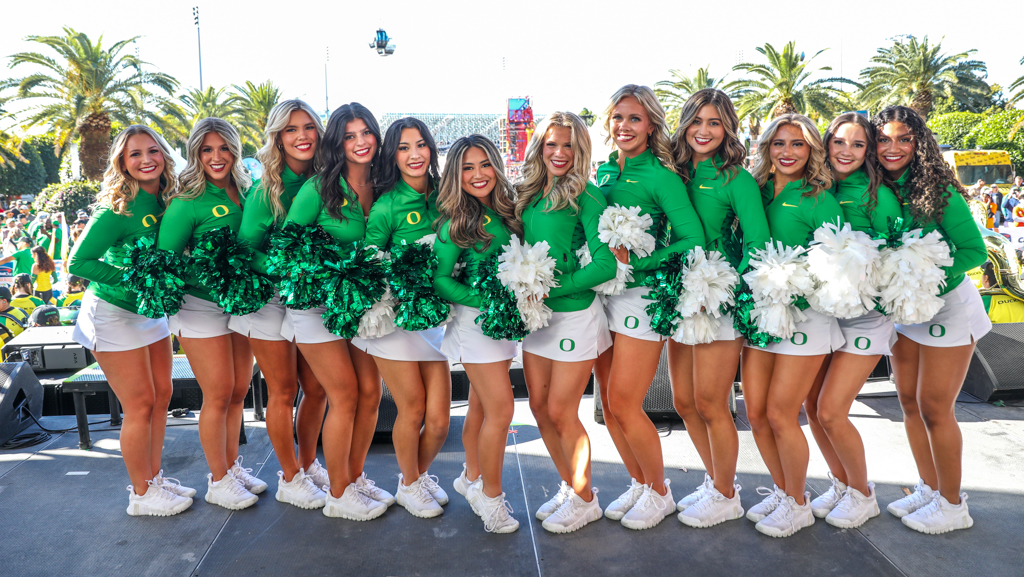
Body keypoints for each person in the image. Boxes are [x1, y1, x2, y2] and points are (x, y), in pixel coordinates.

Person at [593, 85, 705, 530]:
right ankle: (639, 483)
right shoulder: (604, 171)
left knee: (625, 401)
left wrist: (638, 262)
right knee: (609, 403)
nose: (625, 126)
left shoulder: (662, 177)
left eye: (635, 118)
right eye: (618, 117)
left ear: (652, 124)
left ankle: (659, 492)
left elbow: (692, 238)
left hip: (642, 296)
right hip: (603, 296)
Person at [873, 106, 989, 535]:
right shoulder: (879, 189)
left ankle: (953, 504)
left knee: (935, 408)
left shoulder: (939, 191)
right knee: (908, 402)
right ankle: (930, 487)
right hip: (907, 310)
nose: (893, 147)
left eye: (904, 138)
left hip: (948, 308)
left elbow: (975, 251)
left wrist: (922, 278)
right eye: (884, 139)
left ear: (919, 143)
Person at [68, 124, 192, 516]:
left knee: (162, 396)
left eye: (152, 151)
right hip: (113, 314)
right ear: (122, 162)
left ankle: (153, 479)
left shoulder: (170, 198)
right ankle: (141, 494)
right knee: (139, 404)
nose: (146, 160)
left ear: (164, 155)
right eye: (135, 154)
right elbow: (78, 262)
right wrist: (136, 280)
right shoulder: (116, 208)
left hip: (149, 312)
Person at [279, 102, 394, 520]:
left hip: (361, 307)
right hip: (313, 307)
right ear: (337, 143)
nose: (360, 142)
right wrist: (330, 275)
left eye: (366, 133)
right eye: (349, 136)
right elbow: (287, 246)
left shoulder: (384, 185)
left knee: (370, 394)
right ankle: (339, 495)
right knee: (343, 395)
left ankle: (354, 477)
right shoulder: (318, 188)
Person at [666, 89, 770, 528]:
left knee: (711, 402)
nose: (704, 130)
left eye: (714, 122)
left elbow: (758, 244)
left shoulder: (736, 179)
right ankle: (716, 483)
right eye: (696, 121)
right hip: (677, 296)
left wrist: (722, 287)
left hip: (717, 301)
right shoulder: (673, 173)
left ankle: (727, 494)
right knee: (684, 402)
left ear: (727, 128)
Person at [743, 113, 846, 538]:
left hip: (805, 317)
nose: (787, 152)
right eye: (779, 143)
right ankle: (784, 491)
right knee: (755, 414)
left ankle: (798, 503)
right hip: (761, 312)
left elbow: (841, 264)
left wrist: (795, 286)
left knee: (781, 413)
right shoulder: (755, 189)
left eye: (798, 144)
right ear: (767, 147)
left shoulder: (819, 198)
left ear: (812, 150)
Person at [516, 112, 616, 533]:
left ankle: (585, 499)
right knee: (539, 408)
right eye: (551, 144)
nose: (559, 153)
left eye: (569, 145)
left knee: (561, 410)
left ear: (580, 150)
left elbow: (606, 264)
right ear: (539, 147)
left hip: (573, 315)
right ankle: (570, 487)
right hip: (537, 317)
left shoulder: (587, 196)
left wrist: (550, 290)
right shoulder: (528, 192)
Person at [158, 117, 264, 511]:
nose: (216, 157)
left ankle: (232, 468)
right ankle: (218, 480)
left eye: (224, 148)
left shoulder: (249, 191)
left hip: (239, 304)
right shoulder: (186, 201)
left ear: (236, 150)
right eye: (206, 150)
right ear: (195, 154)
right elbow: (165, 263)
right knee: (218, 393)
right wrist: (213, 272)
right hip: (198, 307)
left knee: (238, 391)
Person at [231, 99, 332, 511]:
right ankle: (289, 478)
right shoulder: (265, 190)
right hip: (268, 297)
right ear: (277, 138)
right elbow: (244, 249)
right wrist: (285, 268)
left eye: (308, 127)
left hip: (308, 297)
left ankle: (307, 465)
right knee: (284, 389)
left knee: (318, 388)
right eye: (291, 129)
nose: (302, 136)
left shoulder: (327, 180)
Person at [802, 112, 901, 529]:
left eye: (858, 144)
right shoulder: (820, 189)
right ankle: (842, 483)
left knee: (831, 410)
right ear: (826, 144)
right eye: (839, 142)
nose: (846, 151)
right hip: (827, 315)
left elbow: (898, 256)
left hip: (867, 318)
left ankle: (862, 493)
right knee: (812, 406)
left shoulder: (878, 197)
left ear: (868, 151)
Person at [352, 117, 452, 519]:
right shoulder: (386, 206)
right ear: (392, 155)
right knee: (412, 409)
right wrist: (400, 280)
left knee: (440, 420)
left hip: (432, 320)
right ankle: (410, 484)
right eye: (404, 147)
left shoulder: (445, 194)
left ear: (431, 148)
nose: (414, 155)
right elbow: (368, 267)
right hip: (392, 320)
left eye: (421, 144)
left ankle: (415, 477)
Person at [433, 134, 522, 533]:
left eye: (485, 164)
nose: (478, 174)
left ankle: (470, 477)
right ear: (456, 174)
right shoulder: (457, 221)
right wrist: (485, 300)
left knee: (482, 408)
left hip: (502, 324)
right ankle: (491, 497)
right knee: (502, 411)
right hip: (476, 324)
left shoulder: (508, 209)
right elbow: (439, 279)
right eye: (467, 168)